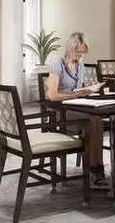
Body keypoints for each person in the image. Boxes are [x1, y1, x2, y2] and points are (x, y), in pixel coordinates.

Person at [45, 32, 108, 185]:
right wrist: (75, 96)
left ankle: (97, 166)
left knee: (98, 120)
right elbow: (52, 95)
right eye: (78, 51)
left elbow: (77, 89)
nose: (81, 54)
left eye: (83, 51)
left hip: (77, 107)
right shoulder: (57, 64)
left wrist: (88, 90)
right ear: (70, 48)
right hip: (61, 112)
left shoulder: (80, 65)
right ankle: (95, 168)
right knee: (93, 121)